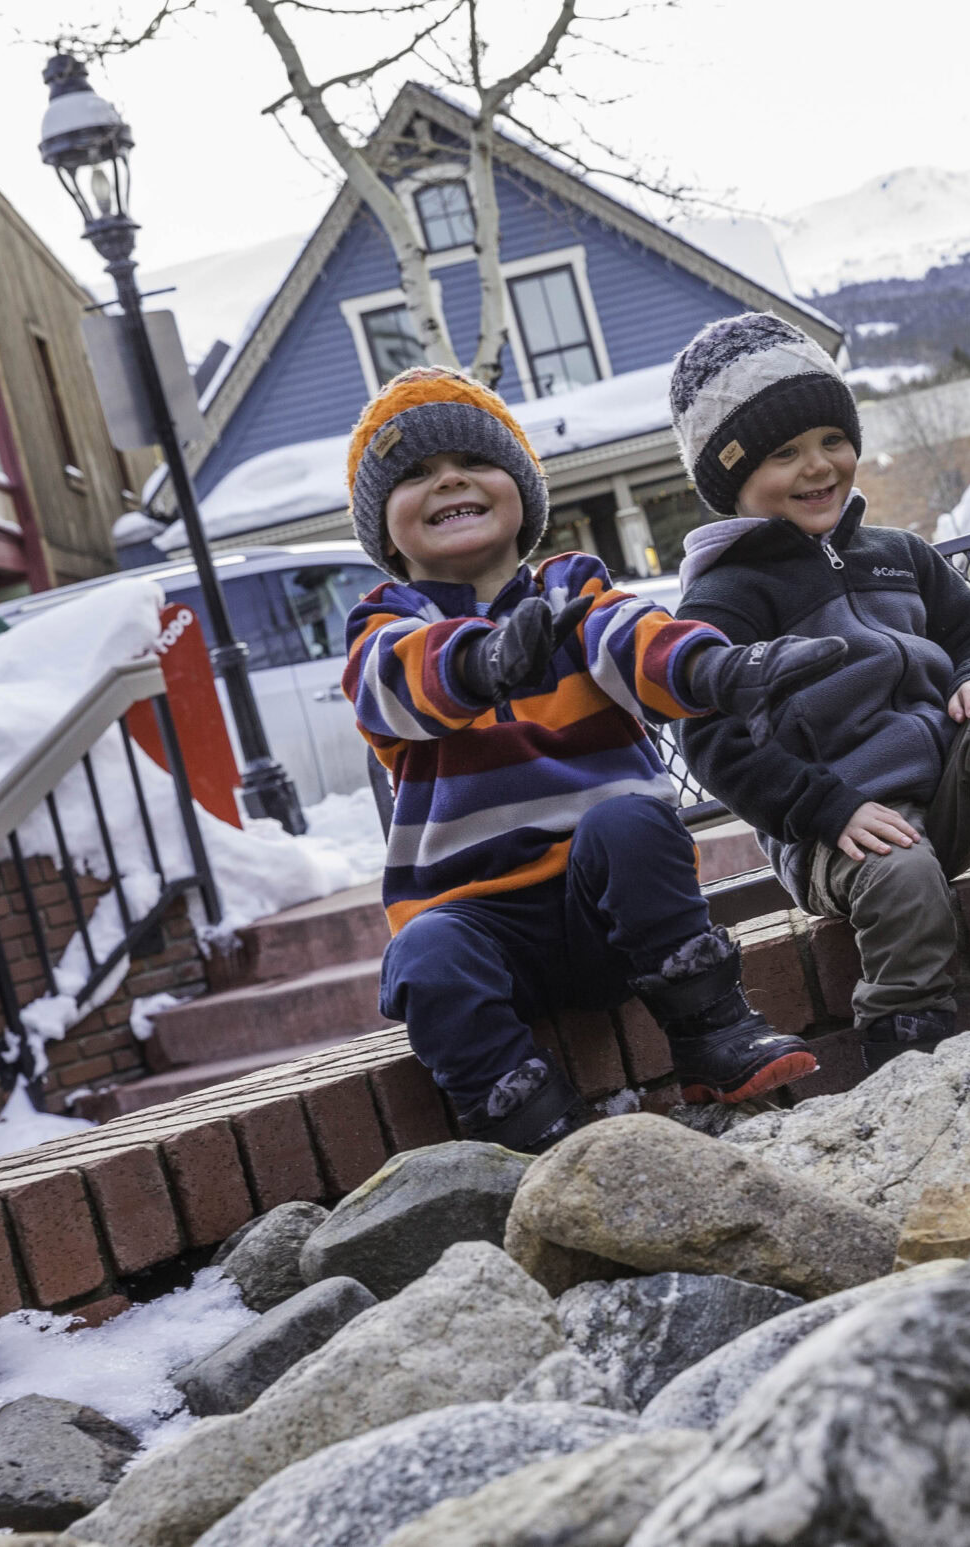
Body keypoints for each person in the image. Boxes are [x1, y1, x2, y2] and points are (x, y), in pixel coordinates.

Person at [340, 365, 847, 1150]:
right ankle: (533, 1123)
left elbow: (636, 642)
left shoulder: (574, 592)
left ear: (519, 490)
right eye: (413, 474)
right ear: (384, 526)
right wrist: (484, 661)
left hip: (609, 911)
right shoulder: (383, 627)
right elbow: (397, 684)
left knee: (631, 823)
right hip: (482, 927)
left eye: (473, 464)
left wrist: (718, 670)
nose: (448, 482)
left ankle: (713, 1033)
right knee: (423, 955)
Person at [666, 313, 970, 1070]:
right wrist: (827, 808)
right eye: (785, 452)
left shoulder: (899, 554)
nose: (819, 466)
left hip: (944, 788)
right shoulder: (726, 598)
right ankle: (911, 1046)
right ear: (732, 478)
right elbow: (712, 743)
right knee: (908, 876)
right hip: (839, 826)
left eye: (831, 440)